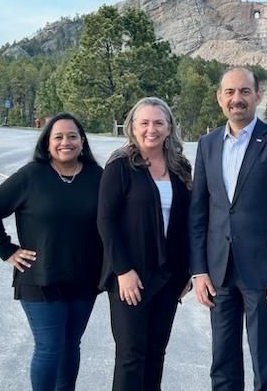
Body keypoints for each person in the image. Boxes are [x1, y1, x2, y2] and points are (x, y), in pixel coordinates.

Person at [189, 67, 267, 391]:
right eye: (229, 92)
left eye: (244, 91)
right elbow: (199, 213)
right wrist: (199, 271)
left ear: (258, 96)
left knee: (265, 365)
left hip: (265, 277)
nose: (237, 99)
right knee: (222, 364)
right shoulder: (207, 144)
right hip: (219, 275)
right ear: (219, 99)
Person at [0, 113, 104, 391]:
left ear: (82, 142)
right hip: (40, 278)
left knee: (71, 345)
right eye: (57, 137)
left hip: (84, 279)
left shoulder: (98, 177)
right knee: (50, 347)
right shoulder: (31, 176)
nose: (65, 142)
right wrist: (6, 249)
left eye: (72, 136)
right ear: (47, 143)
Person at [98, 97, 193, 391]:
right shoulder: (120, 165)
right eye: (144, 122)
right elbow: (106, 222)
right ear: (133, 127)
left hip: (169, 277)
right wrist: (123, 270)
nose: (151, 129)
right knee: (130, 355)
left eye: (158, 123)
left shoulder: (180, 168)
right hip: (132, 277)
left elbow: (189, 223)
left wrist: (188, 271)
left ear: (168, 128)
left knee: (156, 352)